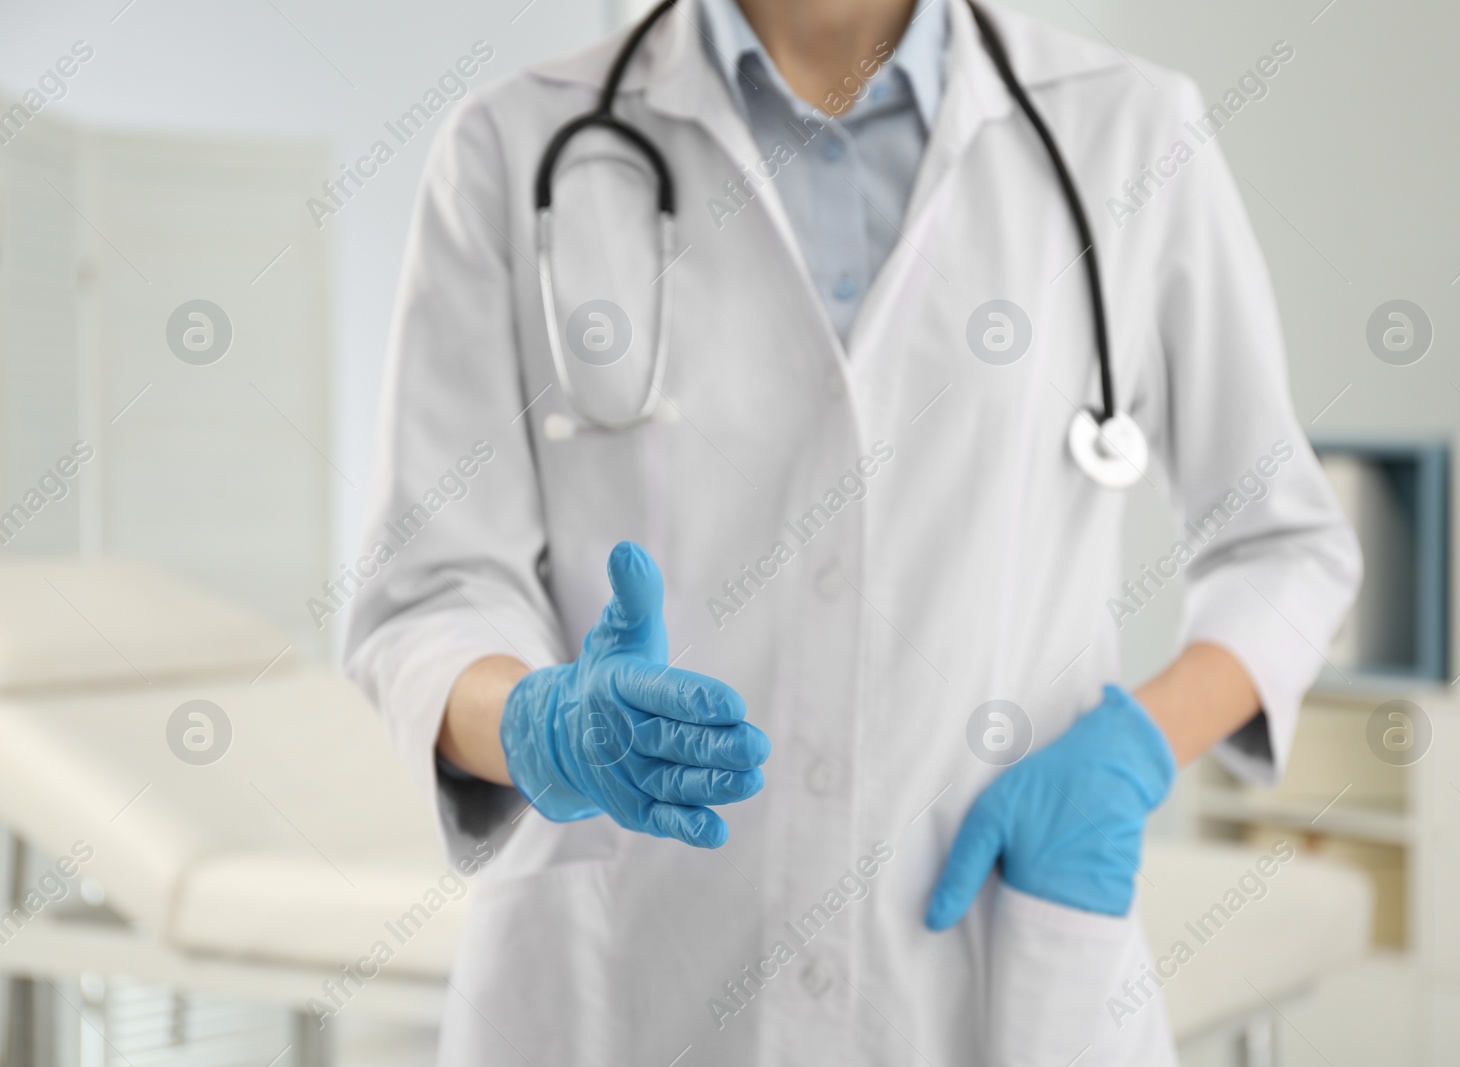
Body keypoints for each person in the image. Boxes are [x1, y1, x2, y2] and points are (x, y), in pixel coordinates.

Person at [345, 0, 1361, 1062]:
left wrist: (1134, 750)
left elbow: (1284, 543)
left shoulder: (1129, 132)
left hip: (981, 983)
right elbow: (430, 591)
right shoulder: (509, 146)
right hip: (621, 988)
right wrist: (533, 722)